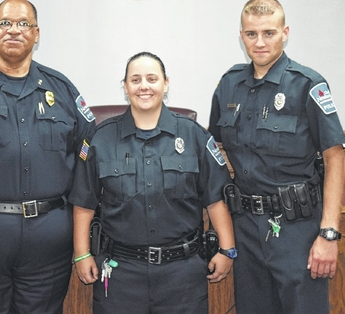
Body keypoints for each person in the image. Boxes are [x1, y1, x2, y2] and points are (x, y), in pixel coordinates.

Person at [0, 0, 96, 314]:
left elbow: (88, 156)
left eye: (24, 24)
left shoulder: (62, 90)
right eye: (5, 23)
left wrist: (79, 240)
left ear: (36, 34)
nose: (14, 30)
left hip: (47, 249)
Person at [208, 0, 345, 314]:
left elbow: (335, 158)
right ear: (241, 35)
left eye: (269, 33)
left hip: (297, 228)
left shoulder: (307, 85)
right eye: (251, 34)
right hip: (245, 226)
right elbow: (215, 153)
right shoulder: (229, 85)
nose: (259, 42)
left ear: (285, 32)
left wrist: (328, 233)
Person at [70, 51, 235, 314]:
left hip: (182, 273)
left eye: (151, 78)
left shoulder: (194, 135)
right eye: (135, 80)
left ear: (165, 83)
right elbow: (84, 202)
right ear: (125, 87)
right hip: (121, 272)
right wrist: (81, 254)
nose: (143, 86)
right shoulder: (101, 138)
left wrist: (228, 251)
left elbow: (215, 198)